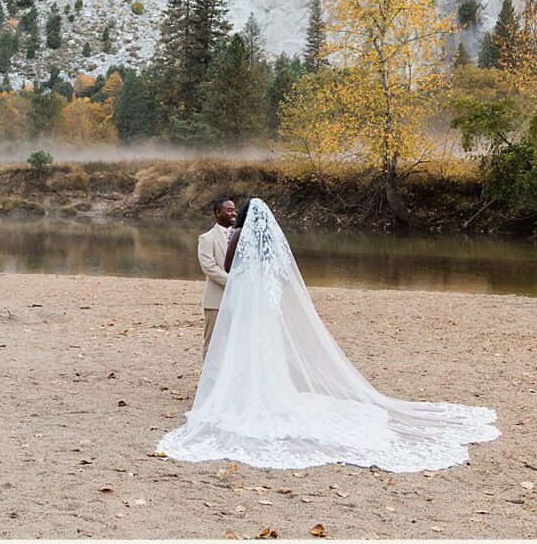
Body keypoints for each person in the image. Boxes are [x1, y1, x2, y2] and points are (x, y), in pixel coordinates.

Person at [161, 198, 499, 472]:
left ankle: (245, 396)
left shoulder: (238, 242)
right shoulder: (270, 247)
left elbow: (235, 272)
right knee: (264, 354)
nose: (233, 217)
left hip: (252, 306)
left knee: (249, 353)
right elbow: (278, 281)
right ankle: (263, 392)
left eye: (237, 214)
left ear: (244, 220)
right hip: (265, 310)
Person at [198, 197, 238, 355]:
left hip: (238, 300)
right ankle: (209, 379)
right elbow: (209, 267)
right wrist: (234, 282)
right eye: (229, 210)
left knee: (234, 343)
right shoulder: (207, 238)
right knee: (213, 344)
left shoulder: (240, 236)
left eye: (234, 210)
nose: (233, 213)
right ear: (218, 213)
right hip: (216, 301)